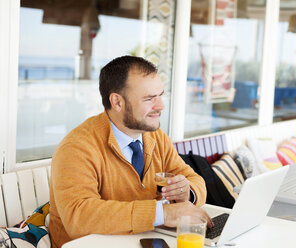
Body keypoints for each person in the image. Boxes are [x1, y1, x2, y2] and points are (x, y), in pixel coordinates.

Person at [49, 56, 212, 248]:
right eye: (150, 99)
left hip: (145, 241)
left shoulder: (155, 136)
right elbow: (79, 216)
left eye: (160, 95)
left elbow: (192, 178)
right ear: (117, 102)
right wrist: (163, 213)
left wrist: (187, 193)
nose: (161, 106)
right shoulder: (77, 147)